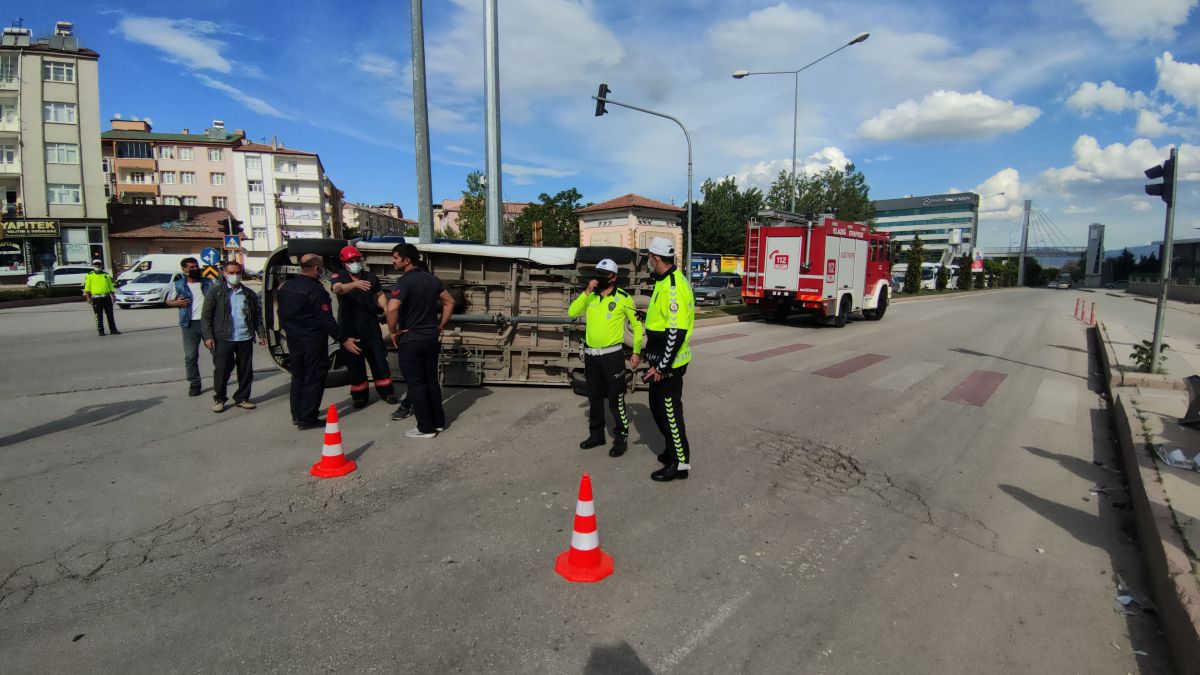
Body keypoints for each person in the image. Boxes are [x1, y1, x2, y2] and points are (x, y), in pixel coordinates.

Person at [568, 258, 643, 457]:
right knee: (594, 398)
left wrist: (636, 351)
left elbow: (636, 327)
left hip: (612, 357)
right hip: (592, 356)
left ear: (614, 277)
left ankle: (620, 438)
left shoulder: (624, 298)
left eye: (604, 276)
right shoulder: (590, 297)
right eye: (597, 275)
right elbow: (571, 312)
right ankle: (596, 435)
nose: (599, 279)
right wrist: (586, 292)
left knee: (616, 400)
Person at [278, 253, 362, 430]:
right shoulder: (316, 290)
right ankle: (308, 418)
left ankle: (297, 414)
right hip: (313, 342)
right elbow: (326, 320)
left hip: (294, 340)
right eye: (321, 266)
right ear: (317, 268)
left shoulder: (286, 286)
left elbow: (281, 314)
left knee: (298, 377)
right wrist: (343, 339)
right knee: (315, 378)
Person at [386, 244, 453, 439]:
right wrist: (441, 325)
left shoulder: (404, 282)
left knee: (416, 384)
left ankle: (425, 428)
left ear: (406, 260)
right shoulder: (432, 280)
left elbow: (392, 308)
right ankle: (438, 422)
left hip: (411, 337)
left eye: (395, 257)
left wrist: (393, 332)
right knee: (431, 381)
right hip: (431, 337)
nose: (393, 261)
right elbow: (449, 302)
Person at [643, 237, 695, 482]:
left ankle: (680, 463)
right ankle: (672, 450)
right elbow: (665, 321)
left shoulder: (674, 286)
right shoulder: (663, 281)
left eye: (649, 257)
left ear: (656, 258)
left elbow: (676, 332)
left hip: (669, 365)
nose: (648, 261)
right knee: (657, 407)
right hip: (659, 361)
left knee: (670, 412)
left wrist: (663, 366)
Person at [330, 245, 398, 409]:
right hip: (350, 329)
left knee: (379, 360)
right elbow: (337, 289)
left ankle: (387, 392)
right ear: (344, 262)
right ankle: (359, 396)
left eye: (356, 259)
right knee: (355, 364)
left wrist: (385, 308)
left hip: (370, 327)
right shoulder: (340, 276)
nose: (354, 263)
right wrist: (355, 285)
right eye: (350, 261)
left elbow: (379, 294)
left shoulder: (371, 277)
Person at [201, 261, 266, 413]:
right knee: (222, 370)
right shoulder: (215, 292)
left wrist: (261, 333)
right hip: (223, 337)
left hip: (244, 337)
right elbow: (206, 316)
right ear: (224, 273)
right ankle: (219, 399)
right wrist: (208, 336)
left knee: (245, 370)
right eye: (231, 273)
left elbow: (256, 316)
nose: (235, 276)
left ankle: (242, 398)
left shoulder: (249, 293)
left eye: (238, 272)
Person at [165, 257, 215, 396]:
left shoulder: (208, 282)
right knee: (191, 356)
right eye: (191, 267)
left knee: (217, 354)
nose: (195, 269)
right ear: (184, 270)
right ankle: (194, 384)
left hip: (208, 323)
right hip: (189, 324)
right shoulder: (178, 285)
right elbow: (168, 301)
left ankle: (219, 380)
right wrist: (177, 303)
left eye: (196, 266)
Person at [83, 260, 120, 337]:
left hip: (106, 297)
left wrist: (113, 296)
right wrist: (88, 298)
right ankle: (101, 330)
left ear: (101, 265)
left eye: (99, 264)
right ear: (93, 265)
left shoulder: (106, 275)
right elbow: (87, 288)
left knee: (110, 314)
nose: (97, 266)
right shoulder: (90, 275)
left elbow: (110, 286)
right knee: (98, 315)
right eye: (95, 264)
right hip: (96, 298)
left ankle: (113, 329)